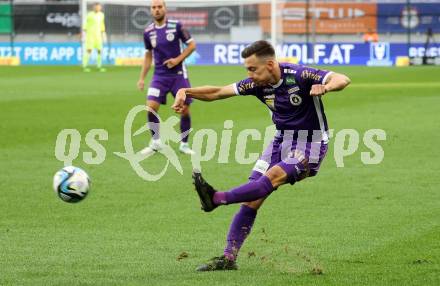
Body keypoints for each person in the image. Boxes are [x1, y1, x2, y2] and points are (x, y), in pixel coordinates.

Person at [172, 40, 351, 271]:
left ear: (269, 64)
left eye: (252, 69)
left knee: (273, 177)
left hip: (311, 143)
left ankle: (216, 198)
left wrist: (325, 87)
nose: (249, 75)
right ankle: (228, 258)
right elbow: (218, 92)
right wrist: (185, 91)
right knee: (252, 196)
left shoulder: (299, 75)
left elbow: (342, 79)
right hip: (280, 141)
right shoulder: (257, 84)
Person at [137, 0, 196, 155]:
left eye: (159, 7)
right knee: (150, 107)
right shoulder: (148, 32)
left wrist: (177, 60)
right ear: (151, 10)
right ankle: (156, 142)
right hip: (159, 76)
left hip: (178, 75)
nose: (156, 10)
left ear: (165, 9)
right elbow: (148, 55)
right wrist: (142, 77)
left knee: (184, 110)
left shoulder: (177, 26)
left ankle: (184, 144)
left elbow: (192, 45)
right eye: (154, 7)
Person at [82, 3, 106, 72]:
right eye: (96, 7)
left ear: (100, 8)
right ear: (93, 8)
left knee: (100, 50)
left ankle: (99, 66)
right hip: (90, 36)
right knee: (89, 50)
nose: (97, 8)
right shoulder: (89, 15)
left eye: (98, 7)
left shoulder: (102, 15)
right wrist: (84, 34)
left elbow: (102, 24)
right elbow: (85, 24)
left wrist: (103, 34)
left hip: (98, 36)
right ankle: (85, 66)